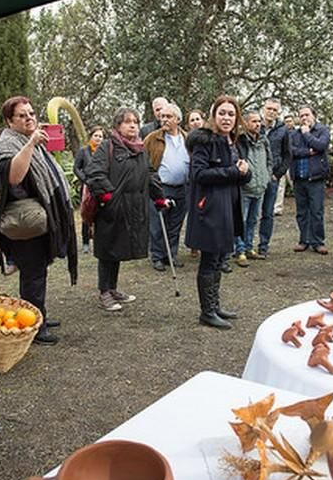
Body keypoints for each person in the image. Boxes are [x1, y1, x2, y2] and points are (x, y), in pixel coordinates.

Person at [0, 96, 77, 345]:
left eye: (31, 114)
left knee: (37, 270)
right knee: (32, 273)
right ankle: (34, 326)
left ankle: (38, 315)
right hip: (23, 224)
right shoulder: (8, 144)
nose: (29, 118)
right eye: (22, 115)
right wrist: (30, 144)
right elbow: (15, 177)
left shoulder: (28, 140)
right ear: (9, 121)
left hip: (36, 219)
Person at [87, 107, 164, 311]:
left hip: (134, 209)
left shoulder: (139, 148)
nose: (132, 125)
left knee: (118, 249)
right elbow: (95, 174)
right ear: (117, 126)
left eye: (135, 122)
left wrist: (159, 197)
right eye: (127, 122)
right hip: (111, 209)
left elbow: (149, 173)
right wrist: (108, 197)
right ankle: (104, 292)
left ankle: (112, 288)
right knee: (107, 250)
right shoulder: (107, 147)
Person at [186, 95, 250, 329]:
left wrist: (245, 171)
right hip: (209, 208)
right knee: (209, 259)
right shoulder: (205, 141)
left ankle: (215, 306)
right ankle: (207, 312)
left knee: (220, 258)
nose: (226, 118)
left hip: (228, 207)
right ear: (213, 116)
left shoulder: (233, 142)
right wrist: (233, 171)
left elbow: (240, 174)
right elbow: (199, 174)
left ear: (236, 118)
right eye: (222, 113)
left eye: (231, 114)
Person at [145, 104, 188, 271]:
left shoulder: (187, 138)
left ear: (177, 119)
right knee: (157, 223)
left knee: (175, 224)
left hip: (182, 188)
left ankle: (171, 254)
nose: (164, 120)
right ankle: (157, 256)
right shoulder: (152, 138)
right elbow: (144, 162)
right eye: (162, 116)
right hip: (160, 188)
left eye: (168, 117)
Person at [288, 106, 331, 254]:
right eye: (301, 116)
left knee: (316, 211)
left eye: (307, 114)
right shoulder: (294, 134)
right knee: (301, 212)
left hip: (315, 178)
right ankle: (303, 240)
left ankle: (318, 242)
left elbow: (321, 146)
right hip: (299, 178)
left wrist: (307, 134)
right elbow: (291, 151)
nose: (304, 118)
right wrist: (308, 152)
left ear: (314, 116)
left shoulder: (323, 130)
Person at [234, 110, 272, 266]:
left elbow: (269, 161)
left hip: (259, 187)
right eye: (254, 121)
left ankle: (249, 247)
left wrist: (267, 177)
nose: (258, 124)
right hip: (244, 188)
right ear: (246, 123)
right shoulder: (240, 141)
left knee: (252, 220)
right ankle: (240, 250)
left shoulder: (264, 141)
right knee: (240, 221)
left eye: (259, 121)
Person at [256, 98, 290, 257]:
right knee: (249, 213)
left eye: (275, 110)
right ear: (263, 108)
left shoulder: (283, 130)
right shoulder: (255, 125)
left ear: (279, 112)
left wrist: (278, 174)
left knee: (268, 213)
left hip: (272, 178)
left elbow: (287, 155)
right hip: (254, 177)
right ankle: (244, 245)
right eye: (269, 108)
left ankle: (263, 246)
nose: (271, 112)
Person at [73, 125, 104, 254]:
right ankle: (85, 242)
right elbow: (76, 168)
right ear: (91, 137)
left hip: (101, 187)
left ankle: (99, 241)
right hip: (87, 188)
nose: (98, 138)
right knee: (87, 214)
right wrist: (85, 179)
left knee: (100, 214)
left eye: (101, 136)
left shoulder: (104, 151)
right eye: (96, 135)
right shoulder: (83, 151)